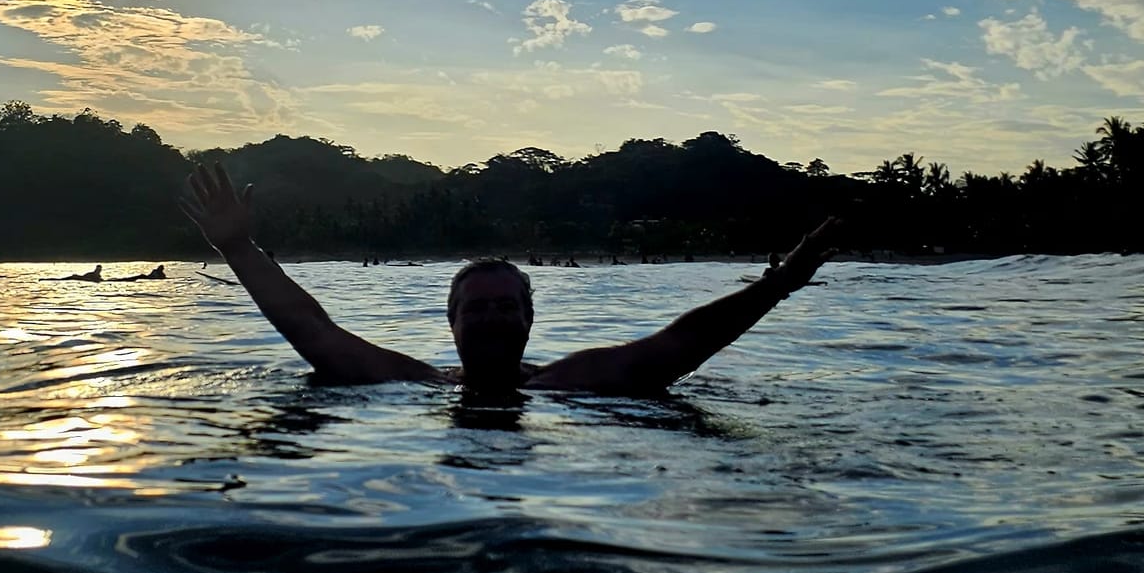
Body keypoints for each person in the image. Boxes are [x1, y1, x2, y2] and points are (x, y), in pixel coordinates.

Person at [178, 161, 838, 397]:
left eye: (504, 307)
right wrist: (238, 246)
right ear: (452, 323)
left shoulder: (570, 383)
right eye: (478, 308)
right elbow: (314, 330)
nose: (492, 318)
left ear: (530, 318)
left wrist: (778, 286)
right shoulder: (414, 383)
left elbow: (677, 344)